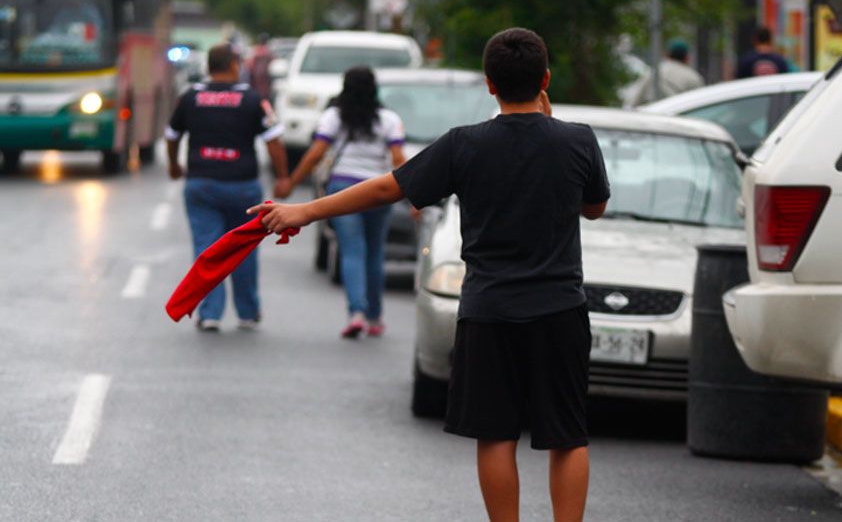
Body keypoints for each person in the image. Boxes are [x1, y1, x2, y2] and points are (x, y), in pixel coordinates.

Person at [250, 27, 608, 522]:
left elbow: (385, 190)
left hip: (489, 311)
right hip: (560, 310)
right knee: (568, 436)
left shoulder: (465, 145)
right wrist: (554, 127)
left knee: (497, 434)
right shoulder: (577, 140)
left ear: (489, 84)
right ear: (546, 78)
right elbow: (594, 207)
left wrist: (304, 211)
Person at [165, 43, 291, 332]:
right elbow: (273, 140)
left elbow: (171, 135)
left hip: (201, 184)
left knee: (206, 248)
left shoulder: (190, 97)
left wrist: (174, 164)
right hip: (243, 187)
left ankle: (210, 313)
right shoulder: (252, 99)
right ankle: (247, 312)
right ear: (235, 66)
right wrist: (283, 177)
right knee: (243, 247)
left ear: (210, 67)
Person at [279, 67, 406, 339]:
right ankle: (375, 317)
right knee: (374, 253)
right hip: (379, 191)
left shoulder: (334, 117)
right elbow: (398, 159)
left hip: (343, 189)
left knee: (351, 251)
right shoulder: (389, 120)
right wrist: (416, 196)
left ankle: (356, 313)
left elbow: (315, 154)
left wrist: (291, 181)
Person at [245, 33, 273, 100]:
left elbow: (249, 64)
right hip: (262, 79)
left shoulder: (256, 50)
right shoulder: (268, 51)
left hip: (259, 79)